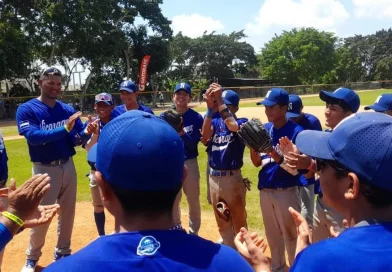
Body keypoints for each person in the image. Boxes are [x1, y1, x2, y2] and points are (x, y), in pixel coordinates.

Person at [45, 110, 255, 272]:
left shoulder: (65, 268)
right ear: (183, 178)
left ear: (103, 189)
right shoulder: (230, 264)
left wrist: (11, 222)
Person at [16, 67, 93, 272]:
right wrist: (64, 129)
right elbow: (34, 137)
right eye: (50, 82)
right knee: (42, 215)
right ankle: (32, 258)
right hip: (44, 169)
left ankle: (63, 252)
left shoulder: (66, 109)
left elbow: (77, 139)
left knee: (68, 213)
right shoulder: (27, 109)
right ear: (40, 83)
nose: (55, 87)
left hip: (67, 165)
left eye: (58, 83)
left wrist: (87, 131)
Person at [281, 87, 360, 243]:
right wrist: (304, 162)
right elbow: (311, 173)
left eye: (333, 108)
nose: (326, 111)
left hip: (341, 208)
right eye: (327, 106)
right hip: (321, 203)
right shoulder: (327, 136)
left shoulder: (355, 141)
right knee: (319, 250)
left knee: (341, 256)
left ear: (348, 114)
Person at [251, 88, 307, 272]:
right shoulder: (265, 130)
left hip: (287, 191)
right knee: (273, 236)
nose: (267, 111)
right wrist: (252, 148)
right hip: (266, 189)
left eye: (272, 107)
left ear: (284, 108)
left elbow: (294, 170)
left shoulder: (296, 131)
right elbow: (257, 162)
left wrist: (274, 153)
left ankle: (295, 268)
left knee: (291, 235)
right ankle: (277, 268)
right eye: (266, 107)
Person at [201, 84, 249, 248]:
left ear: (235, 108)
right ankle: (230, 255)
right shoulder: (214, 121)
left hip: (232, 179)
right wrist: (209, 109)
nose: (220, 108)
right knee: (223, 221)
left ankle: (244, 259)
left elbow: (232, 126)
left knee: (239, 223)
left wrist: (219, 99)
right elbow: (204, 136)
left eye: (225, 105)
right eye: (219, 104)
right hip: (214, 178)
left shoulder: (242, 122)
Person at [160, 83, 203, 236]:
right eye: (178, 94)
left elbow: (193, 144)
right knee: (173, 198)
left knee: (193, 199)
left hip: (189, 162)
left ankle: (193, 232)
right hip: (171, 162)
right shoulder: (164, 117)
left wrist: (181, 133)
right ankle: (176, 229)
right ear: (173, 96)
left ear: (190, 98)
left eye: (185, 94)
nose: (181, 97)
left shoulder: (196, 118)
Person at [286, 94, 322, 228]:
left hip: (307, 171)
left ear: (302, 108)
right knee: (293, 210)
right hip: (291, 172)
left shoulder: (312, 122)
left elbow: (318, 148)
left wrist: (313, 169)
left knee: (306, 213)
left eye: (294, 114)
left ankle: (308, 242)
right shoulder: (286, 122)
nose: (292, 118)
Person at [83, 93, 115, 236]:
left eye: (105, 105)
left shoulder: (118, 122)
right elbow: (88, 149)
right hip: (96, 170)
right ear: (95, 106)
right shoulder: (91, 124)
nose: (102, 108)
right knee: (98, 206)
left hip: (115, 170)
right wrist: (95, 135)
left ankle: (120, 234)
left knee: (118, 204)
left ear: (112, 107)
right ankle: (101, 235)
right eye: (99, 105)